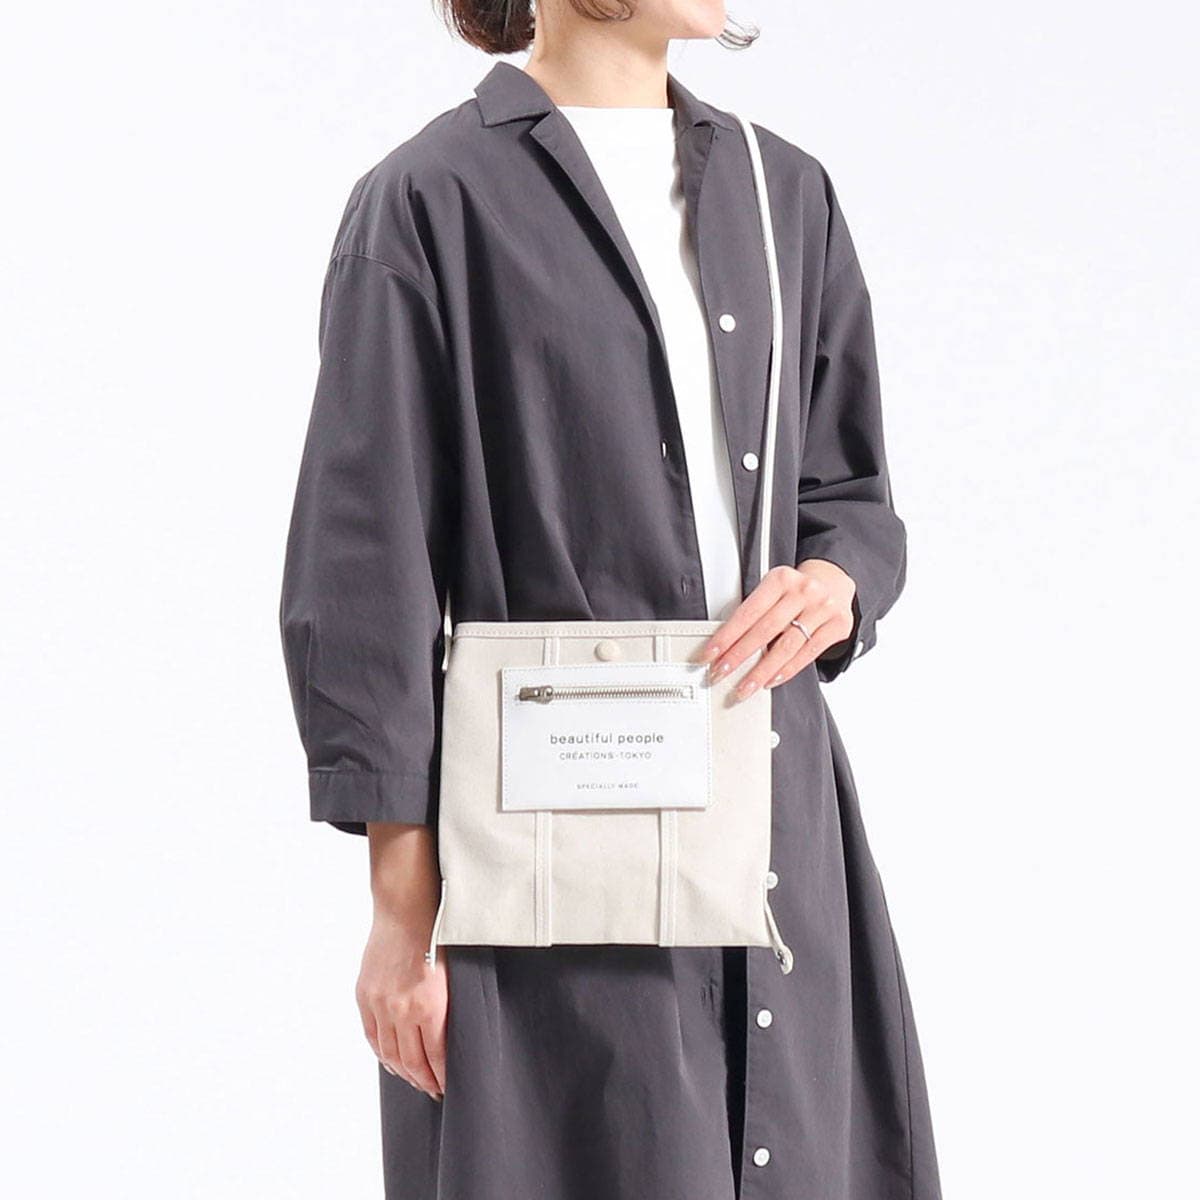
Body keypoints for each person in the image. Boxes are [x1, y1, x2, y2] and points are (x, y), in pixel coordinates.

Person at [279, 2, 942, 1197]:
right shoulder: (429, 199)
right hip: (546, 841)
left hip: (776, 811)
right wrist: (400, 912)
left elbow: (850, 495)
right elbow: (363, 575)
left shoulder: (784, 192)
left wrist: (837, 579)